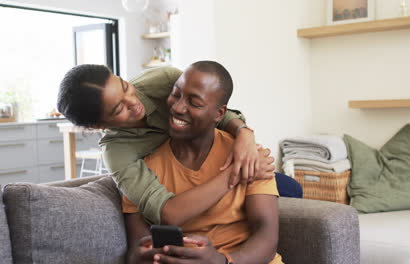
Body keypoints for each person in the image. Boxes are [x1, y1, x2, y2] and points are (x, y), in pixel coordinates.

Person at [57, 64, 275, 227]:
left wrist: (244, 133)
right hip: (189, 186)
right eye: (118, 109)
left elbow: (211, 109)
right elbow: (167, 213)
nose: (133, 103)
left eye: (125, 87)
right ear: (98, 125)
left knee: (283, 187)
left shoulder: (162, 80)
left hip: (216, 160)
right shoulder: (118, 154)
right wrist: (234, 174)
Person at [122, 61, 282, 264]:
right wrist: (145, 255)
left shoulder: (250, 156)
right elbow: (136, 249)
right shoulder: (143, 172)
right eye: (176, 94)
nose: (178, 107)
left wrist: (223, 261)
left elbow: (267, 235)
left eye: (194, 103)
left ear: (219, 114)